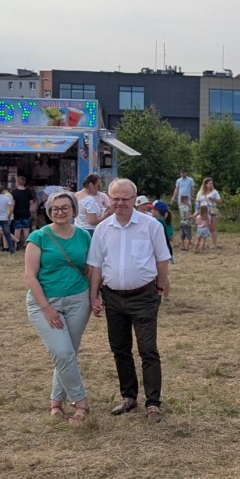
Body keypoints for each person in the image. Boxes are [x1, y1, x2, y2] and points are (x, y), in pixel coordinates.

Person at [87, 178, 171, 422]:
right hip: (113, 298)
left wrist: (162, 283)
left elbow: (162, 257)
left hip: (143, 296)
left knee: (148, 350)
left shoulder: (150, 225)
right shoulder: (103, 229)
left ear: (135, 200)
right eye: (115, 198)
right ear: (108, 199)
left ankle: (153, 403)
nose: (120, 203)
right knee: (120, 349)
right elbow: (96, 265)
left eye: (125, 198)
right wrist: (93, 295)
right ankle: (129, 397)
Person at [24, 190, 93, 425]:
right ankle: (81, 402)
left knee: (68, 354)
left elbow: (90, 269)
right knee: (62, 352)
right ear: (49, 211)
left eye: (65, 207)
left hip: (78, 300)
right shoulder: (38, 237)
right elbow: (30, 276)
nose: (60, 212)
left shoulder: (84, 235)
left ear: (74, 210)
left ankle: (56, 402)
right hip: (45, 303)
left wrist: (96, 296)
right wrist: (47, 309)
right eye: (55, 208)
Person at [11, 176, 36, 251]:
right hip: (26, 212)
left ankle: (16, 244)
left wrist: (11, 211)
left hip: (17, 212)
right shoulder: (28, 191)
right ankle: (27, 244)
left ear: (17, 182)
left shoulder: (14, 192)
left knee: (17, 229)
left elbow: (13, 203)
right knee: (26, 229)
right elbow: (31, 202)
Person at [196, 177, 221, 249]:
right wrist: (197, 210)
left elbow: (219, 201)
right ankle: (201, 243)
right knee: (202, 226)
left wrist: (213, 199)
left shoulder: (214, 192)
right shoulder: (200, 192)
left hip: (211, 211)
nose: (211, 185)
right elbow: (197, 202)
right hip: (203, 211)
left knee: (212, 227)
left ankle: (214, 243)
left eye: (212, 183)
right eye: (209, 183)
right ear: (205, 184)